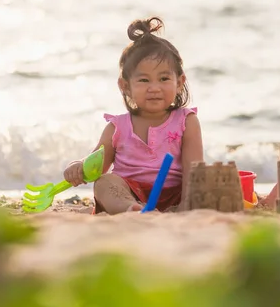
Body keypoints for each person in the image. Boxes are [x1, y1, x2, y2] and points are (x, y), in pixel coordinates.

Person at [63, 17, 203, 214]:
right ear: (125, 86)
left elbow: (194, 171)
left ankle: (177, 206)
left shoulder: (186, 121)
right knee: (104, 182)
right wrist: (77, 167)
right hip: (128, 192)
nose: (154, 88)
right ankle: (131, 209)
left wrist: (187, 203)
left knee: (203, 185)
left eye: (164, 78)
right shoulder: (117, 127)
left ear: (179, 83)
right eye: (144, 80)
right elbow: (96, 168)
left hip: (175, 194)